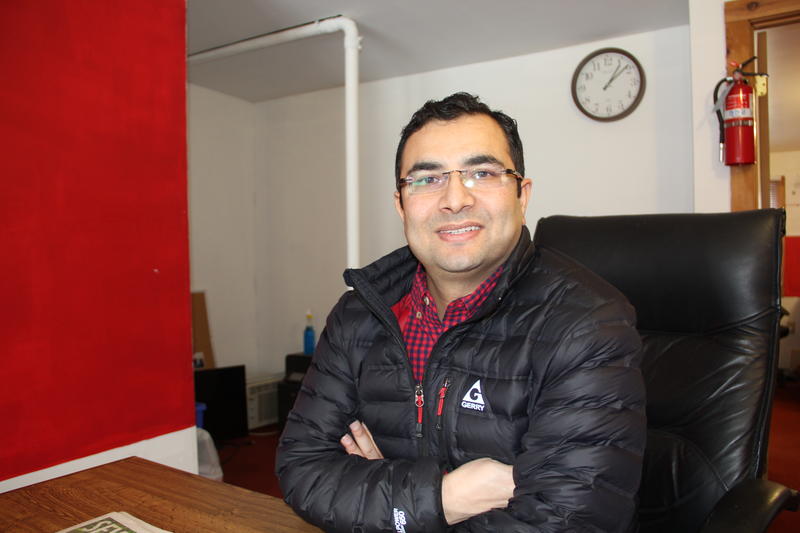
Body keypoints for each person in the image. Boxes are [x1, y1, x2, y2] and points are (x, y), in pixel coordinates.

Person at [276, 92, 646, 532]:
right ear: (400, 204)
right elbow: (302, 471)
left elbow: (567, 524)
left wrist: (380, 497)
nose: (454, 199)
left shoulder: (587, 324)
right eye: (427, 179)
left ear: (521, 194)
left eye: (482, 173)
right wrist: (444, 498)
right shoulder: (358, 314)